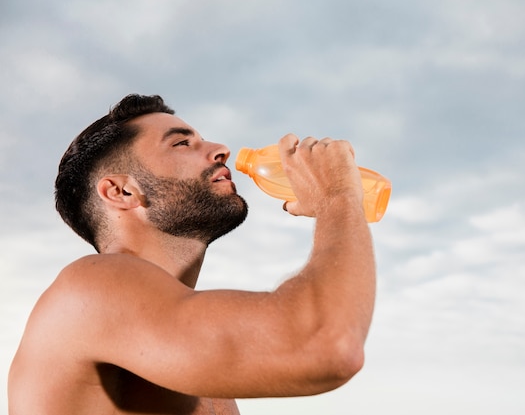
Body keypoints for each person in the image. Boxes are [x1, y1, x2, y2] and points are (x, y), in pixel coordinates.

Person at [8, 94, 376, 414]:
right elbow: (328, 344)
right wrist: (337, 196)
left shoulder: (185, 346)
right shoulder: (90, 287)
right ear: (121, 192)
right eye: (181, 143)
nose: (221, 149)